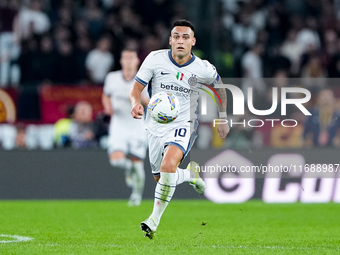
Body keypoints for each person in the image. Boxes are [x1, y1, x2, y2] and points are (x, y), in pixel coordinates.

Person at [129, 20, 229, 239]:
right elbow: (136, 89)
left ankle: (153, 220)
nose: (180, 41)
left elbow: (220, 88)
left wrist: (223, 117)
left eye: (185, 37)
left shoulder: (202, 68)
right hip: (155, 126)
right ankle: (191, 175)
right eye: (176, 36)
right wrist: (135, 103)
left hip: (184, 123)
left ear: (193, 41)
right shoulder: (155, 59)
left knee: (168, 165)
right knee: (162, 177)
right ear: (170, 40)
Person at [102, 49, 149, 206]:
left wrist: (142, 100)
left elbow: (150, 102)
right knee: (116, 160)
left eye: (131, 58)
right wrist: (107, 106)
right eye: (125, 58)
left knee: (138, 163)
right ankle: (128, 169)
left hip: (137, 125)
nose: (128, 61)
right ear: (121, 61)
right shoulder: (112, 78)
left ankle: (136, 195)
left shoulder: (144, 80)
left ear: (137, 61)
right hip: (118, 124)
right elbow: (106, 94)